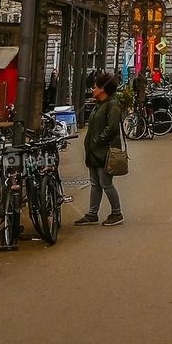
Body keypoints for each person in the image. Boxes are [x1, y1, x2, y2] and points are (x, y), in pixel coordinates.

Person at [75, 72, 126, 227]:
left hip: (104, 151)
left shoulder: (112, 105)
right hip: (94, 151)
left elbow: (112, 127)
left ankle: (117, 213)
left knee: (106, 183)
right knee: (95, 183)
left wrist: (98, 140)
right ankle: (92, 213)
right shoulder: (99, 104)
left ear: (103, 89)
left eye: (95, 86)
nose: (92, 89)